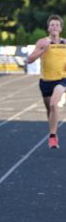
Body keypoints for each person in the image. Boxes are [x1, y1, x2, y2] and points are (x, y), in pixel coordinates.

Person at [27, 14, 66, 149]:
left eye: (57, 25)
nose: (54, 27)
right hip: (45, 82)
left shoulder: (65, 43)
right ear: (48, 28)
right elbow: (29, 59)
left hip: (62, 80)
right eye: (52, 25)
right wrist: (43, 50)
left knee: (55, 105)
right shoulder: (42, 42)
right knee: (50, 110)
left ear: (60, 28)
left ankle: (53, 136)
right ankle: (53, 129)